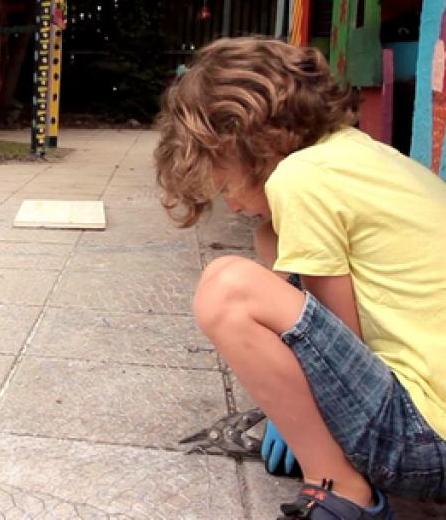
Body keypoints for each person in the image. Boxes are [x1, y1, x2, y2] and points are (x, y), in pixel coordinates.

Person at [154, 37, 446, 519]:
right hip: (431, 427)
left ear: (247, 141)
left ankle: (341, 491)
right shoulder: (354, 154)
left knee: (229, 290)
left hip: (425, 439)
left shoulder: (302, 179)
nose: (231, 204)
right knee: (268, 239)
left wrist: (294, 418)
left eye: (224, 184)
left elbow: (339, 348)